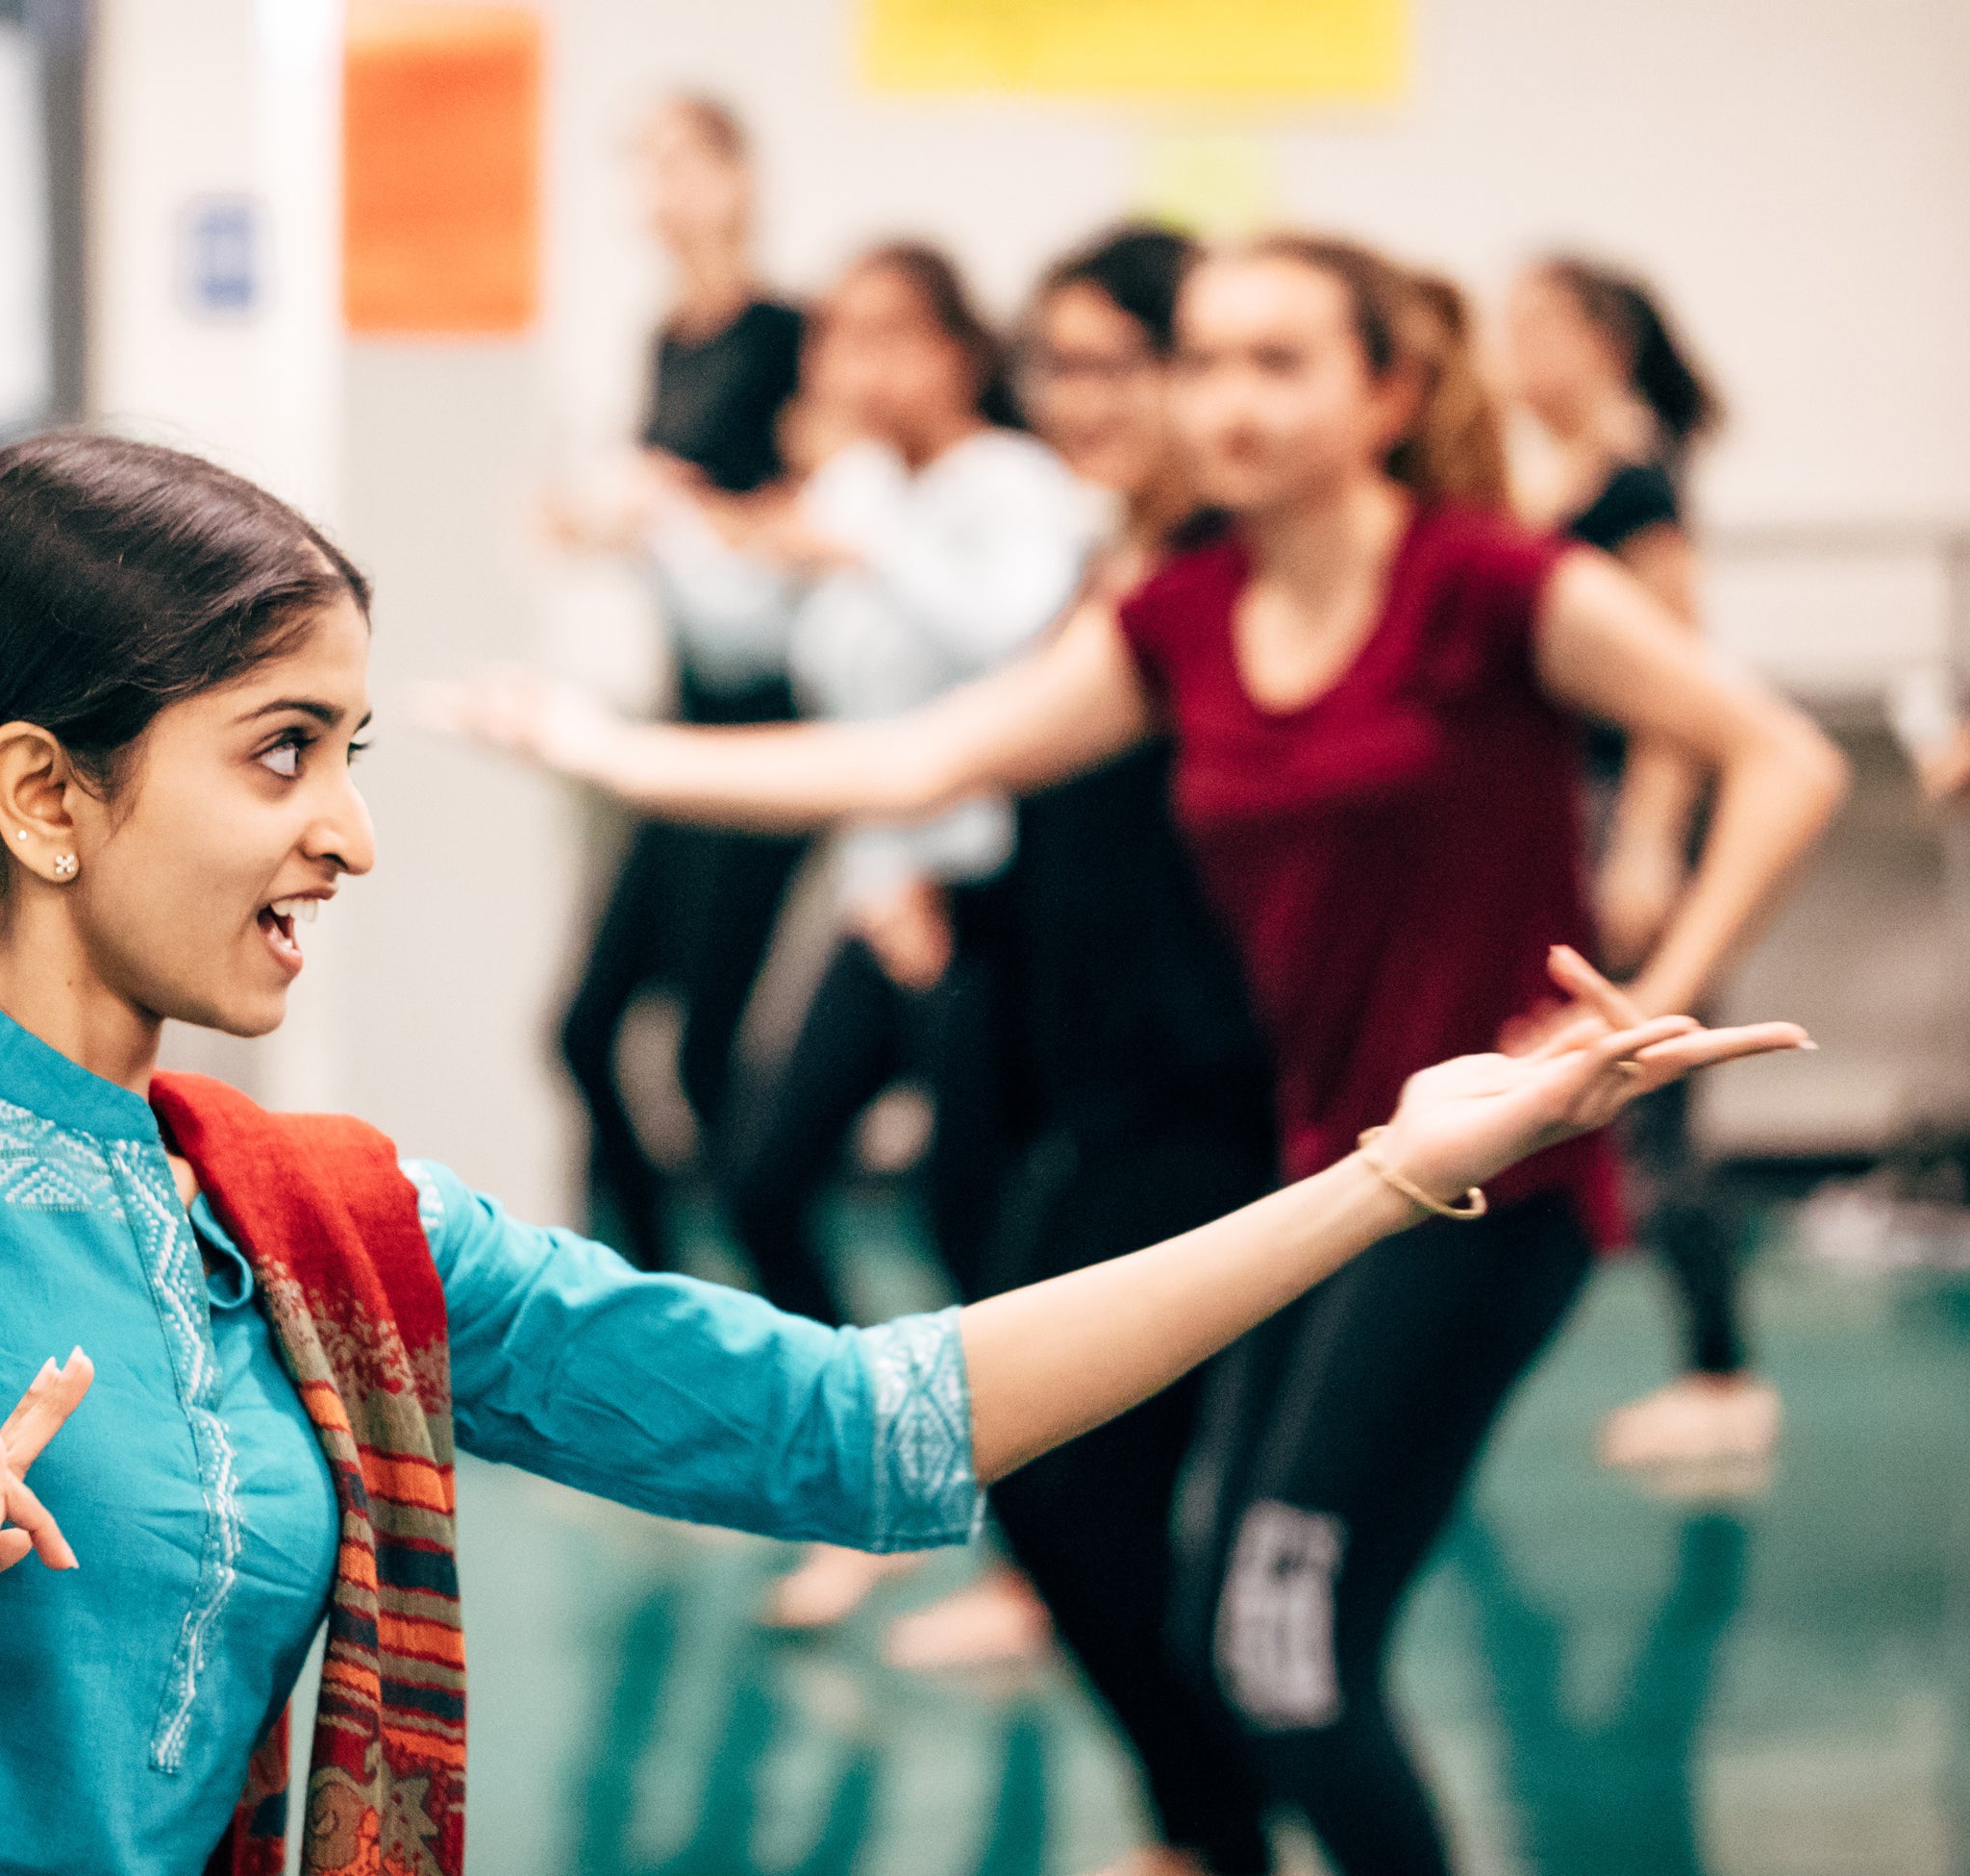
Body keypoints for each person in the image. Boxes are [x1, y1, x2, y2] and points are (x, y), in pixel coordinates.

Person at [0, 430, 1798, 1876]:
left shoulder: (305, 1217)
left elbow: (868, 1426)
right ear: (47, 791)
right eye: (284, 754)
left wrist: (1393, 1165)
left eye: (358, 754)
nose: (350, 833)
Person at [453, 234, 1845, 1876]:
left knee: (1285, 1655)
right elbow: (923, 759)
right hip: (1330, 1175)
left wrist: (1654, 987)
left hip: (1498, 1183)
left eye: (1279, 361)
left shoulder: (1493, 587)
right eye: (1208, 362)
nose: (1229, 400)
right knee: (1221, 1617)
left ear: (1386, 391)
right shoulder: (1185, 617)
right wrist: (613, 749)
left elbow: (1782, 756)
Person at [871, 222, 1284, 1876]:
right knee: (1073, 1471)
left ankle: (1215, 1826)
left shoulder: (1231, 588)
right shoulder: (1102, 565)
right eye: (1063, 363)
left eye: (1126, 362)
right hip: (1077, 1062)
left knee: (1077, 1473)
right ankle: (1202, 1821)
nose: (1086, 396)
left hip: (1203, 1089)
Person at [681, 240, 1105, 1630]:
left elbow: (1017, 653)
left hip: (991, 895)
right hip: (881, 890)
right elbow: (761, 635)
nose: (857, 367)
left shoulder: (1011, 487)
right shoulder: (861, 485)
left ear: (955, 351)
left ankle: (1039, 1561)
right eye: (841, 339)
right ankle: (868, 1481)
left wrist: (866, 541)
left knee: (978, 1228)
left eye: (889, 337)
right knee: (763, 1173)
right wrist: (667, 517)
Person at [1505, 255, 1775, 1474]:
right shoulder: (1549, 480)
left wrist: (1654, 839)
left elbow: (1683, 671)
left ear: (1603, 341)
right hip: (1566, 807)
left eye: (1538, 328)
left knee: (1654, 1101)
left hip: (1630, 808)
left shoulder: (1635, 481)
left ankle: (1722, 1374)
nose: (1514, 352)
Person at [543, 95, 812, 1273]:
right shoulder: (669, 337)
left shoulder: (789, 335)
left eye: (683, 162)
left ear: (740, 175)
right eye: (643, 166)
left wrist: (677, 511)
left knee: (705, 1055)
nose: (662, 192)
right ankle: (645, 1297)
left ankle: (795, 1319)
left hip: (772, 723)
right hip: (683, 713)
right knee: (587, 1029)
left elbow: (809, 523)